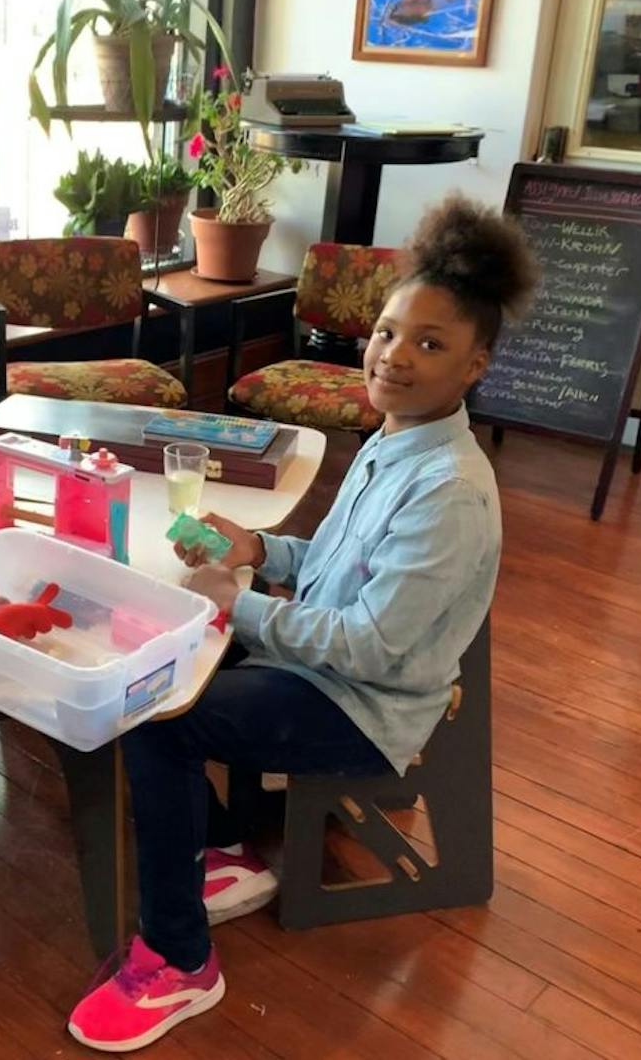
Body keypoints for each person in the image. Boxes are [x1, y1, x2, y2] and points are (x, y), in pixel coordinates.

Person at [66, 194, 539, 1052]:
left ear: (477, 366)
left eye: (431, 344)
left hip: (364, 706)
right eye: (389, 332)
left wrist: (234, 603)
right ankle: (222, 851)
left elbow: (370, 644)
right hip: (331, 669)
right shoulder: (400, 438)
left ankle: (180, 962)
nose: (394, 357)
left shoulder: (452, 492)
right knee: (171, 646)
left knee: (157, 715)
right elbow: (339, 559)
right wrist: (264, 551)